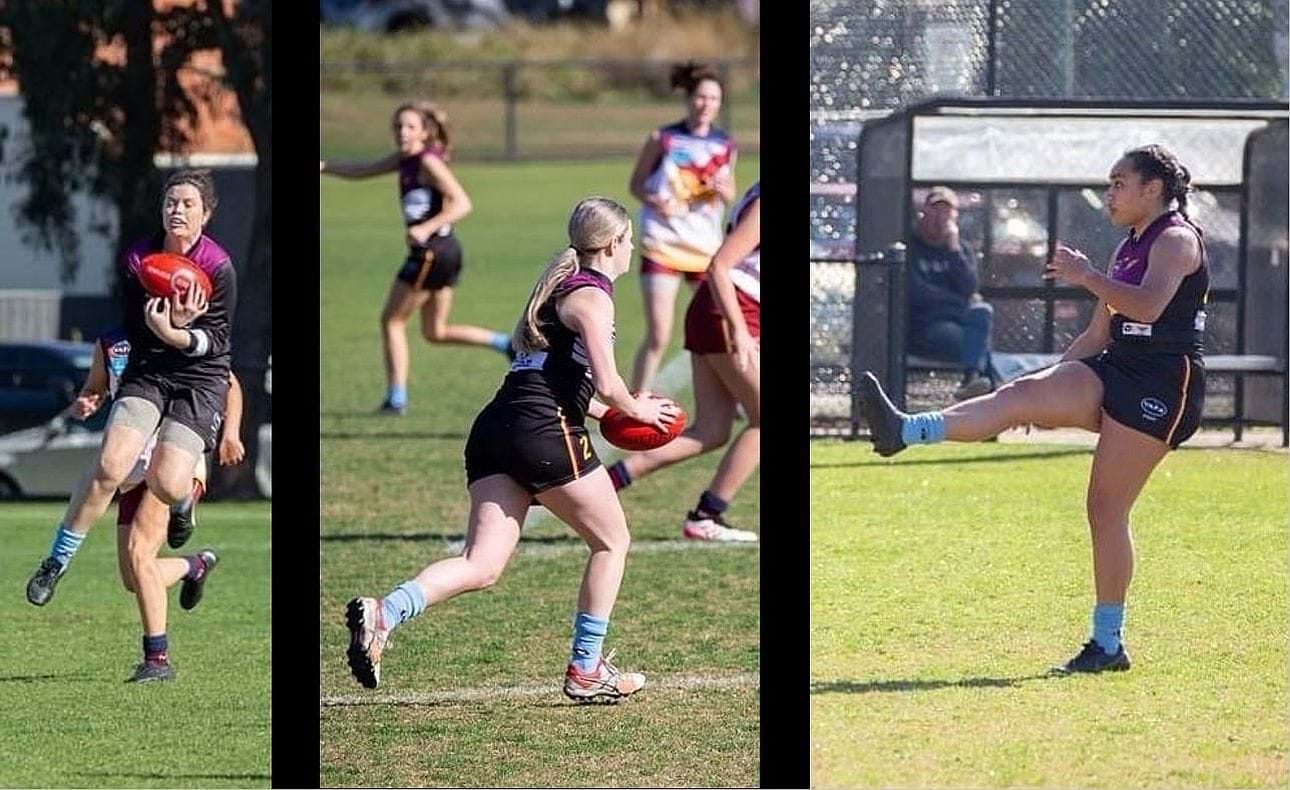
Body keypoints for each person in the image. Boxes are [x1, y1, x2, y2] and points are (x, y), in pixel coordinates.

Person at [859, 145, 1207, 674]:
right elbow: (1098, 334)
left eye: (1119, 183)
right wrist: (1046, 384)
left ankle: (1107, 644)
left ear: (1153, 188)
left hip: (1164, 385)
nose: (1109, 194)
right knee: (1016, 396)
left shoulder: (1177, 240)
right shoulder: (1128, 246)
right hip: (1117, 366)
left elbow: (1148, 306)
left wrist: (1086, 275)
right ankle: (905, 429)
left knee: (1105, 509)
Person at [346, 198, 679, 701]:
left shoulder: (558, 287)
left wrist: (610, 412)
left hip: (497, 427)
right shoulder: (593, 296)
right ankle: (586, 668)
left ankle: (384, 613)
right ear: (613, 244)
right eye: (630, 240)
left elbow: (561, 380)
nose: (632, 249)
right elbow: (610, 385)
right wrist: (639, 410)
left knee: (481, 564)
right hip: (541, 429)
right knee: (612, 543)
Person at [26, 170, 235, 630]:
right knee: (108, 465)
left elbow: (217, 345)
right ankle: (56, 561)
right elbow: (131, 333)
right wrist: (99, 389)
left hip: (198, 378)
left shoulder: (219, 268)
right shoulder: (140, 259)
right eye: (170, 202)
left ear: (206, 213)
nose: (176, 210)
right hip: (149, 371)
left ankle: (184, 503)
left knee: (166, 483)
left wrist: (178, 332)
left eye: (187, 204)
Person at [68, 327, 244, 682]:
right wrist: (87, 401)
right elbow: (95, 388)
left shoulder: (176, 332)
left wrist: (230, 433)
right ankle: (194, 565)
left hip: (173, 460)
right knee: (133, 578)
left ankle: (157, 659)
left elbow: (229, 383)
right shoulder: (109, 343)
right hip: (132, 467)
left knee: (140, 555)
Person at [320, 101, 513, 416]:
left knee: (392, 320)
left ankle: (396, 399)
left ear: (424, 132)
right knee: (435, 331)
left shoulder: (427, 162)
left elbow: (463, 202)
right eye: (398, 126)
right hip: (445, 251)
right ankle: (505, 344)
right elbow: (363, 170)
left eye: (410, 127)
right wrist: (325, 166)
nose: (403, 132)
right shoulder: (404, 160)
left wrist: (425, 228)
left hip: (432, 252)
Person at [606, 183, 760, 543]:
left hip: (718, 309)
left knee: (711, 430)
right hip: (732, 311)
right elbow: (720, 266)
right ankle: (707, 515)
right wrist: (739, 330)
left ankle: (601, 483)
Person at [627, 62, 737, 392]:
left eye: (714, 99)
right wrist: (654, 199)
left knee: (721, 327)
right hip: (662, 244)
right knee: (659, 334)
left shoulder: (725, 144)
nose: (706, 104)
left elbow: (730, 194)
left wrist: (724, 190)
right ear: (689, 99)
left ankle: (733, 393)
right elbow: (636, 185)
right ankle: (635, 401)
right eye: (701, 97)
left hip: (705, 250)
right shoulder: (663, 139)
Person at [906, 186, 997, 401]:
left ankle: (972, 381)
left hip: (962, 322)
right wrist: (958, 300)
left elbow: (970, 287)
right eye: (935, 210)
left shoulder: (960, 249)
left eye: (946, 212)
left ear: (954, 217)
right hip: (927, 327)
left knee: (983, 311)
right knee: (982, 350)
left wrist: (954, 249)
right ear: (923, 213)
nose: (940, 218)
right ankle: (977, 386)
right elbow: (918, 293)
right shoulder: (911, 248)